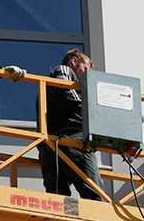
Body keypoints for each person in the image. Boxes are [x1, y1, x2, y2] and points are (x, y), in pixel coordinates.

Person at [39, 50, 102, 200]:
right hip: (71, 140)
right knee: (96, 196)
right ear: (74, 61)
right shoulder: (64, 70)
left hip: (49, 146)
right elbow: (66, 92)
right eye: (85, 69)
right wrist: (93, 111)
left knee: (58, 201)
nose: (86, 76)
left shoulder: (46, 88)